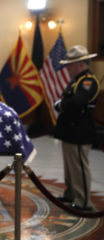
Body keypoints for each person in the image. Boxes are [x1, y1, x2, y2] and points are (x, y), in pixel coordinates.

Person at [54, 45, 101, 211]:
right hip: (70, 131)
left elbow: (78, 101)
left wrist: (61, 106)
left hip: (80, 131)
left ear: (80, 64)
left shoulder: (88, 81)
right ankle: (71, 194)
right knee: (70, 167)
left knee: (79, 167)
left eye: (70, 64)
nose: (67, 68)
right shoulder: (77, 80)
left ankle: (84, 202)